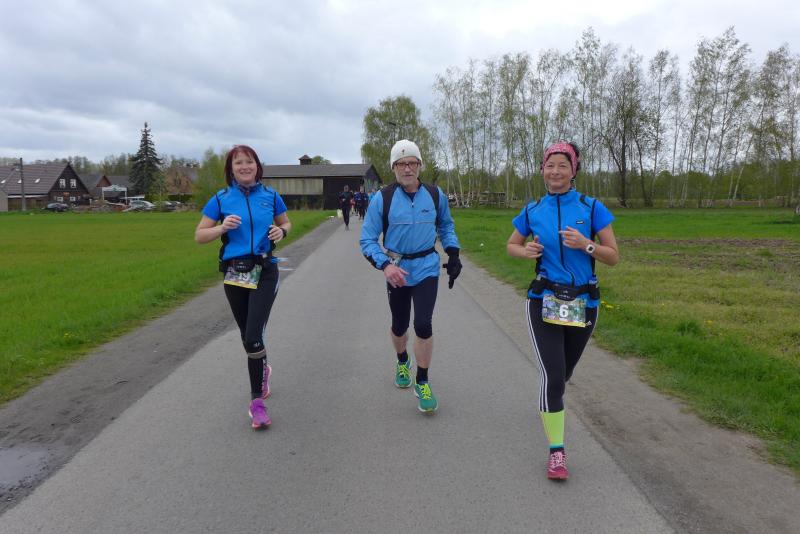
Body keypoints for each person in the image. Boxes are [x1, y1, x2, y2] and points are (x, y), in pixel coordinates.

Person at [506, 141, 619, 479]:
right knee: (553, 377)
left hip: (584, 303)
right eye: (550, 165)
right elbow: (511, 245)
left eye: (562, 165)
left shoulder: (591, 207)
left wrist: (586, 245)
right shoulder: (533, 210)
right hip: (544, 299)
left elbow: (613, 256)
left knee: (565, 373)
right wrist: (525, 251)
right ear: (542, 169)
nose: (555, 171)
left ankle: (551, 401)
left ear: (574, 170)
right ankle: (557, 452)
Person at [360, 139, 462, 413]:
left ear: (419, 165)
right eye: (401, 164)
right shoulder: (383, 199)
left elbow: (446, 226)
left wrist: (453, 253)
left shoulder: (435, 195)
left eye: (412, 163)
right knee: (399, 325)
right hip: (398, 270)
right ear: (393, 167)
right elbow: (367, 240)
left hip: (427, 267)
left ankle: (423, 381)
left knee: (423, 324)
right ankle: (402, 360)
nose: (407, 168)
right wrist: (385, 265)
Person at [195, 145, 291, 430]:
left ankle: (256, 404)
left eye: (249, 162)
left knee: (253, 336)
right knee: (247, 335)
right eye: (239, 163)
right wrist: (222, 227)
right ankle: (263, 368)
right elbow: (200, 235)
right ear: (231, 169)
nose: (245, 167)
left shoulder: (271, 196)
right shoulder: (220, 199)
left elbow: (286, 223)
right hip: (235, 273)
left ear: (257, 166)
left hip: (265, 271)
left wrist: (282, 231)